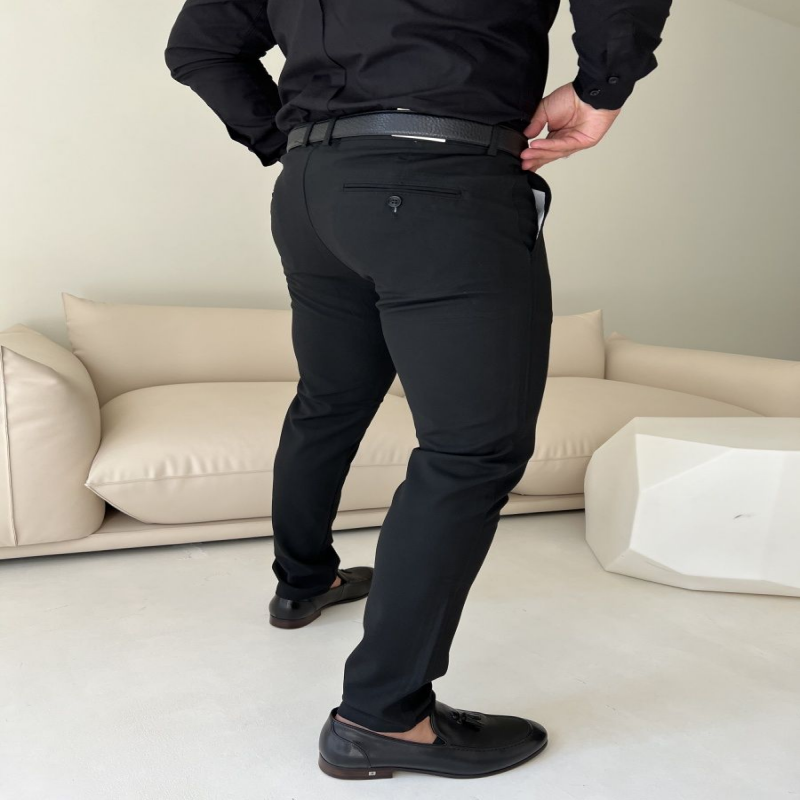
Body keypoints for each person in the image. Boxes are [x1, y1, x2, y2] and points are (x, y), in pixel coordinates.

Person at [164, 0, 671, 780]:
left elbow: (198, 46)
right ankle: (383, 716)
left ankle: (302, 585)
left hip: (313, 192)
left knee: (329, 399)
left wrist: (286, 142)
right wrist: (603, 88)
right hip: (439, 180)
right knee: (472, 451)